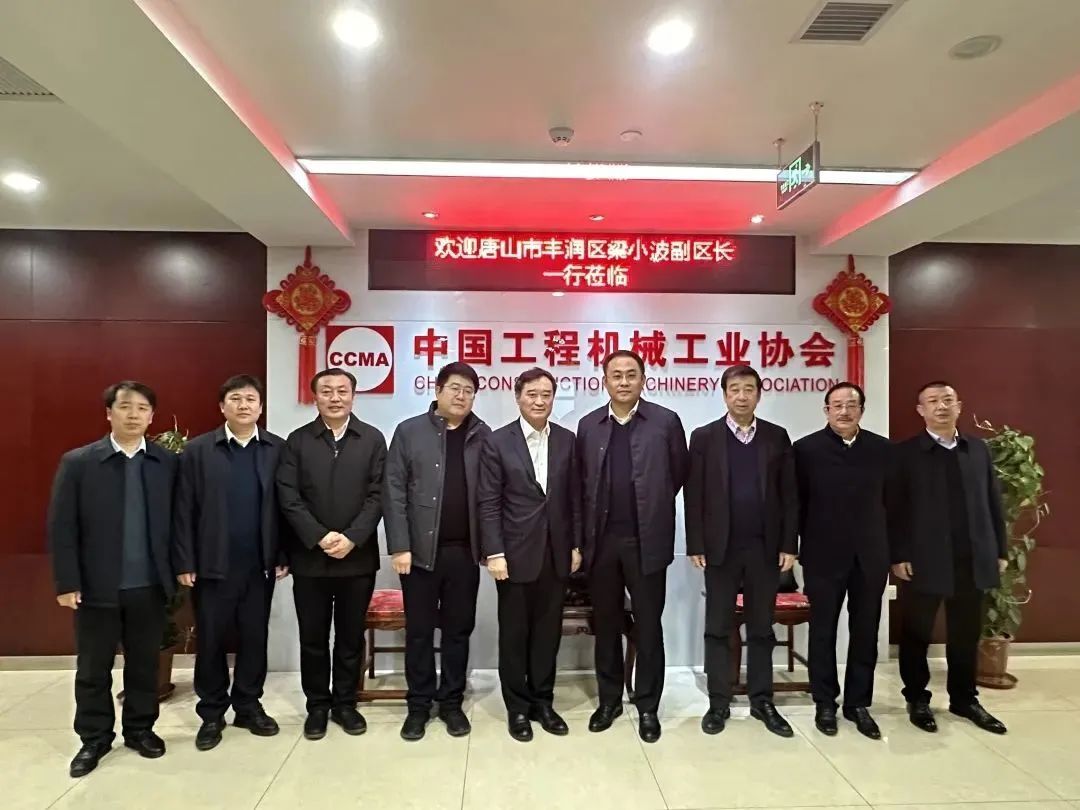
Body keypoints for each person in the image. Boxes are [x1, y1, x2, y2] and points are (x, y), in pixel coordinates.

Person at [47, 381, 177, 777]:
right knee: (93, 668)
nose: (133, 414)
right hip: (96, 587)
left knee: (144, 665)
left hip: (149, 585)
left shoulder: (167, 463)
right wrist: (67, 582)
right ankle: (94, 738)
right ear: (109, 413)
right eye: (125, 406)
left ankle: (140, 730)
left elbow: (179, 522)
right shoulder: (80, 463)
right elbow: (62, 526)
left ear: (152, 416)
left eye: (142, 408)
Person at [576, 350, 687, 743]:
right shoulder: (589, 425)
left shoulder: (665, 422)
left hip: (647, 542)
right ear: (604, 380)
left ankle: (648, 706)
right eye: (616, 375)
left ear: (643, 379)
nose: (623, 382)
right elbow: (581, 484)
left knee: (648, 626)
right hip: (601, 544)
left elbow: (677, 475)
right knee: (606, 624)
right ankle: (609, 701)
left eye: (631, 374)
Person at [172, 375, 289, 751]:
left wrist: (282, 554)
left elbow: (285, 507)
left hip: (259, 564)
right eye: (235, 399)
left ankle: (248, 706)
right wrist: (185, 560)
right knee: (211, 639)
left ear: (260, 407)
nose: (244, 405)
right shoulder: (197, 451)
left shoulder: (276, 448)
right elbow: (182, 509)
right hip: (212, 565)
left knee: (255, 637)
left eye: (251, 399)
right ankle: (211, 713)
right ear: (222, 407)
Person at [685, 365, 798, 738]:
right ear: (724, 394)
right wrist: (696, 543)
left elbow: (789, 494)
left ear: (759, 394)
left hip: (765, 548)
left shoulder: (776, 437)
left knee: (762, 628)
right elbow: (694, 494)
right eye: (734, 389)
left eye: (749, 389)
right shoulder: (704, 437)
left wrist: (789, 544)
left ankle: (762, 700)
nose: (742, 396)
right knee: (717, 627)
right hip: (721, 549)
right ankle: (719, 701)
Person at [891, 381, 1008, 735]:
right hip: (923, 559)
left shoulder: (977, 449)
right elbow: (895, 509)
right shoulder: (906, 453)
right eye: (932, 401)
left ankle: (964, 698)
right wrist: (898, 554)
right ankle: (917, 698)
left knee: (965, 632)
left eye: (947, 400)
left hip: (972, 555)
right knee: (917, 633)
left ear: (959, 406)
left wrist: (999, 549)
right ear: (921, 410)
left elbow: (993, 501)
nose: (941, 406)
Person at [276, 368, 387, 741]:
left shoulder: (372, 439)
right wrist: (320, 536)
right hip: (311, 558)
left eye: (342, 391)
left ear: (354, 396)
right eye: (327, 391)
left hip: (357, 558)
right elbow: (288, 496)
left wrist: (352, 537)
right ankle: (317, 706)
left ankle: (345, 703)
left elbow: (379, 495)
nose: (335, 397)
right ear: (316, 397)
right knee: (313, 637)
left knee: (350, 637)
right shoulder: (297, 441)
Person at [383, 362, 491, 741]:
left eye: (469, 391)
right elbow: (393, 490)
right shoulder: (410, 431)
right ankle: (418, 705)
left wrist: (489, 547)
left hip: (464, 553)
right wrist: (399, 545)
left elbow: (491, 497)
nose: (461, 396)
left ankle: (451, 703)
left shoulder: (483, 435)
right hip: (419, 554)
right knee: (419, 632)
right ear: (438, 390)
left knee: (458, 631)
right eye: (455, 388)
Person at [477, 367, 582, 742]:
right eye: (532, 394)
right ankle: (517, 709)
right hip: (513, 554)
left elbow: (575, 498)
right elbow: (488, 501)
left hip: (556, 553)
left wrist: (575, 545)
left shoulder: (568, 440)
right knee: (515, 635)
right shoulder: (497, 441)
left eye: (546, 395)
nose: (539, 401)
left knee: (547, 635)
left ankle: (543, 703)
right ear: (518, 396)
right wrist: (494, 552)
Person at [794, 382, 890, 740]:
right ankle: (824, 702)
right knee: (822, 631)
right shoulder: (805, 450)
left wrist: (897, 553)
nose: (844, 411)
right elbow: (795, 505)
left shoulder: (883, 450)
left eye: (851, 405)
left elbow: (895, 505)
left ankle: (858, 703)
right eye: (837, 405)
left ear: (862, 410)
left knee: (865, 630)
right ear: (826, 410)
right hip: (822, 556)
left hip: (871, 556)